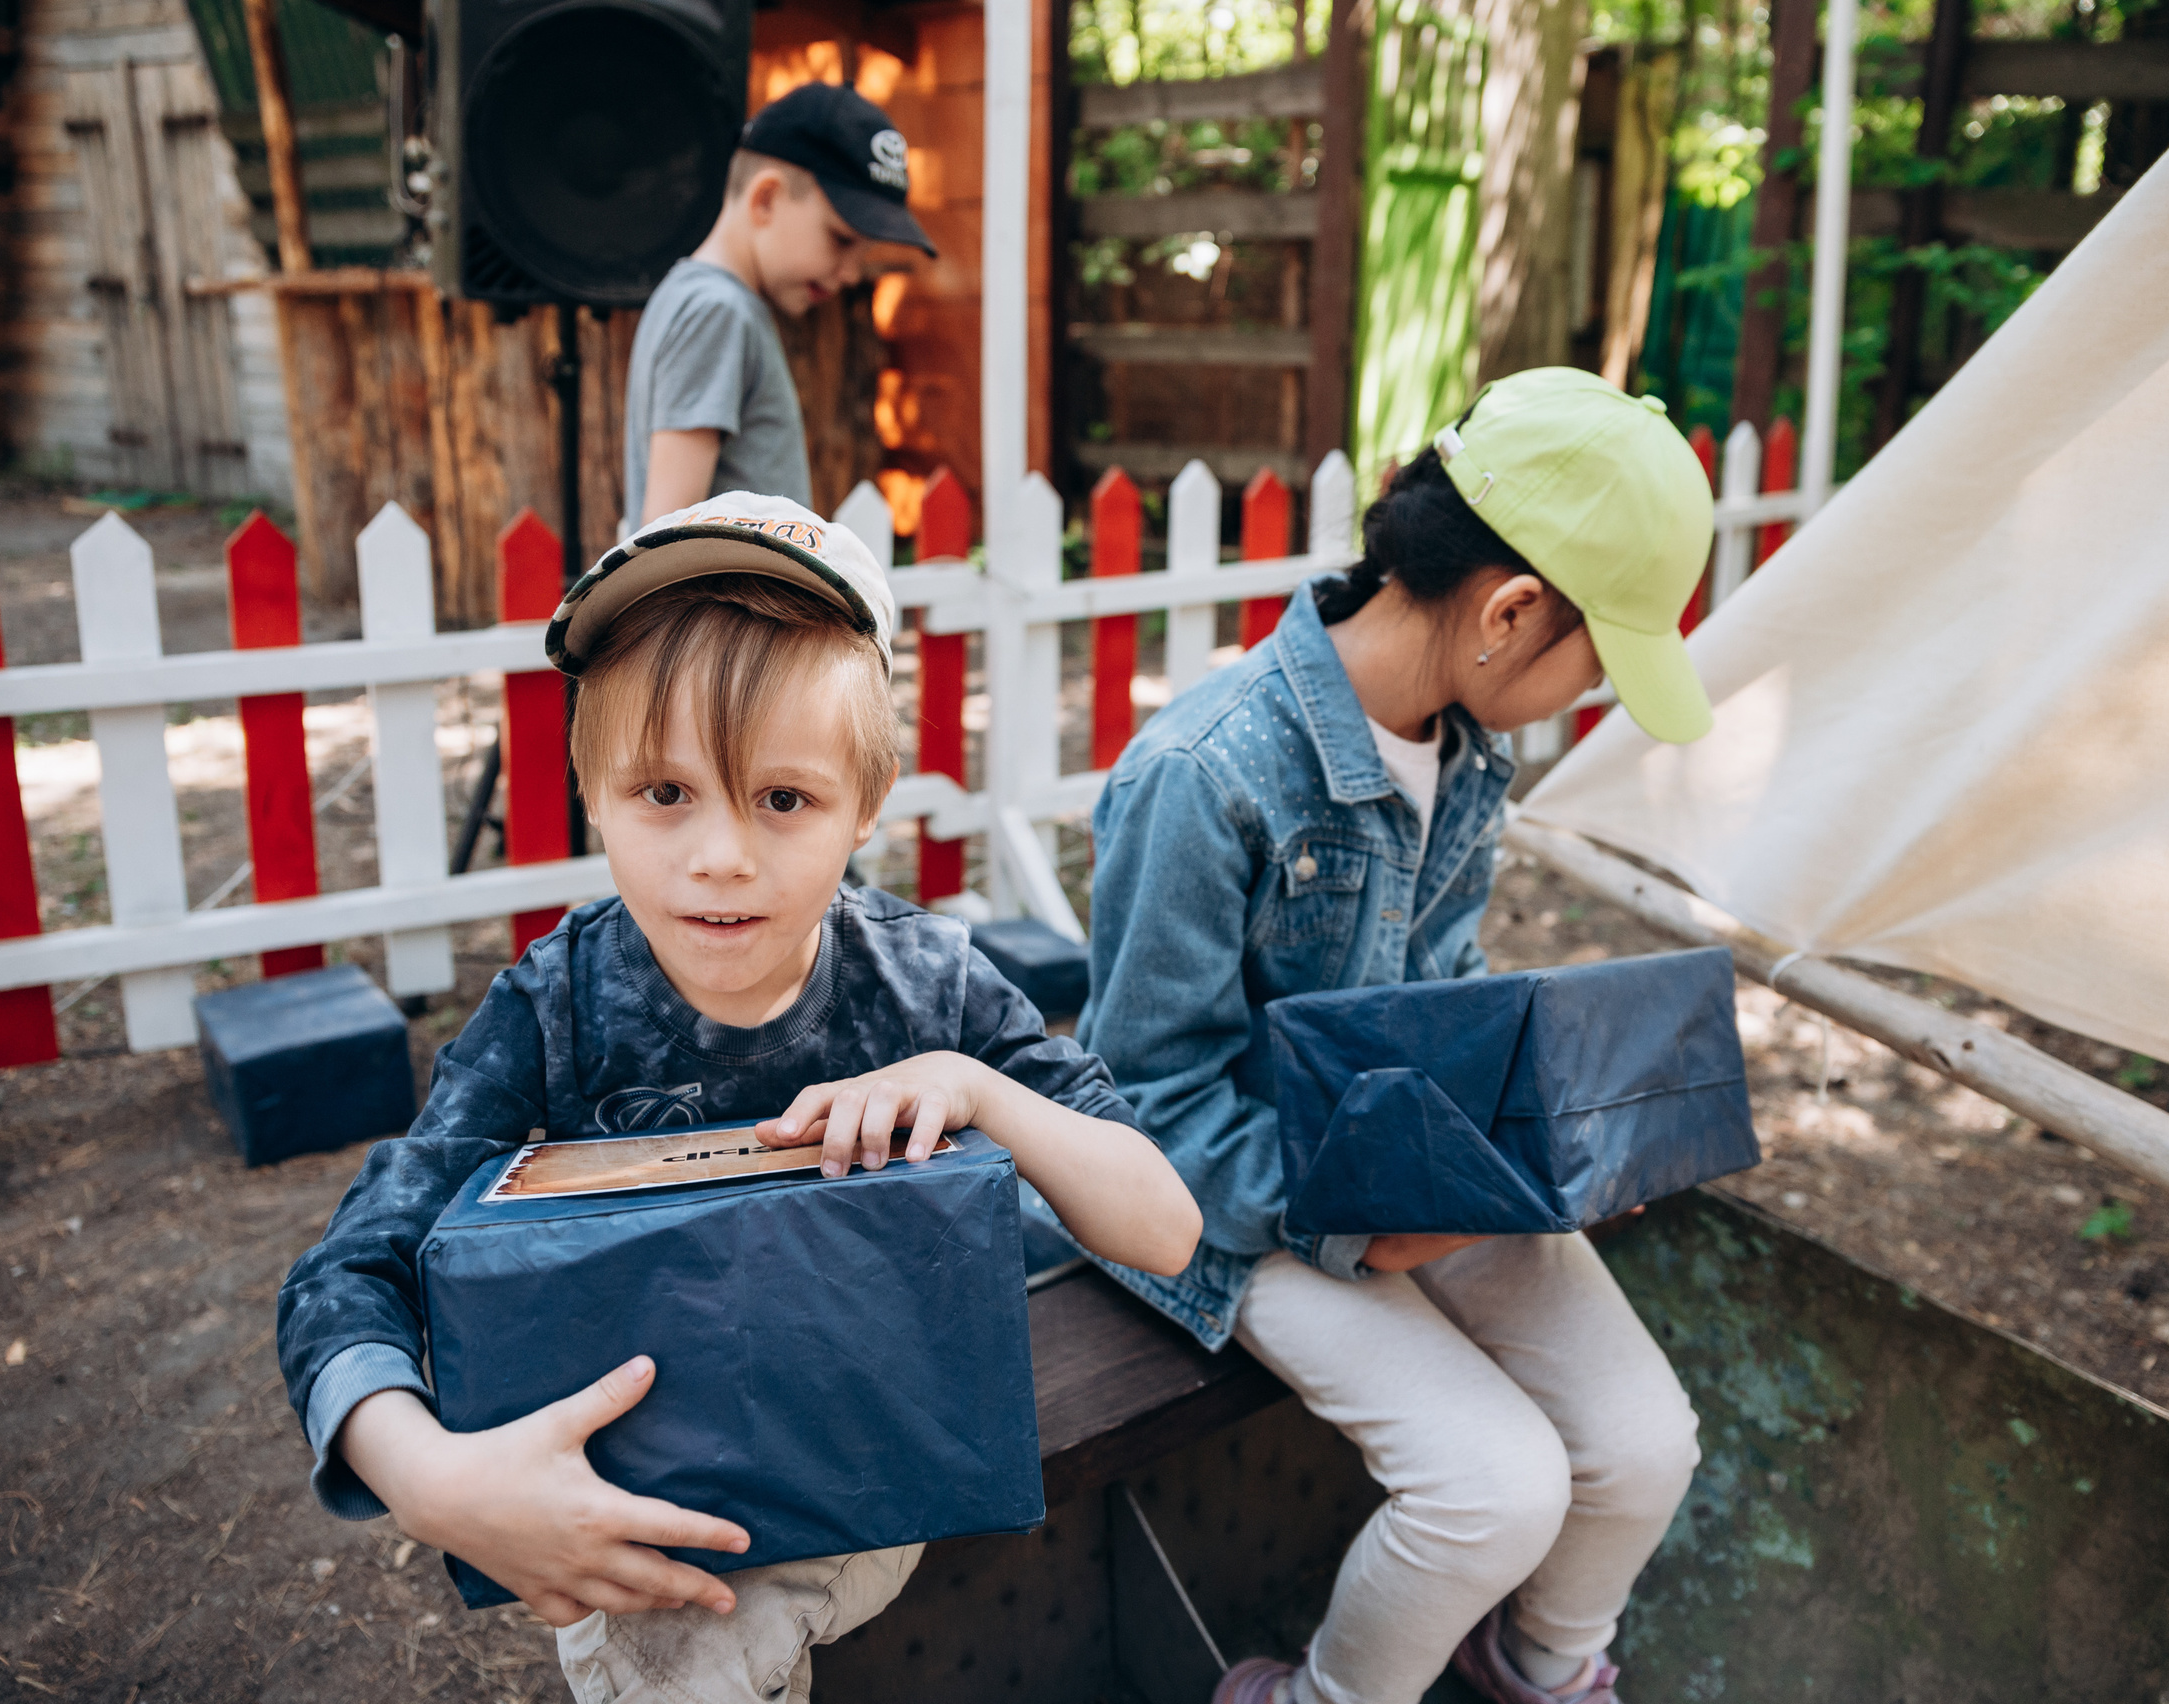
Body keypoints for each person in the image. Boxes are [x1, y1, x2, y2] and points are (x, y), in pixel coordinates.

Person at [276, 493, 1200, 1704]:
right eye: (664, 793)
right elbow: (348, 1270)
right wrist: (431, 1479)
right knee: (679, 1644)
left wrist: (981, 1090)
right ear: (589, 794)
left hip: (867, 1466)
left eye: (781, 799)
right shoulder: (554, 1008)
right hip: (644, 1491)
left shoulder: (928, 986)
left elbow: (1166, 1229)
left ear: (866, 806)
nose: (720, 855)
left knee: (704, 1648)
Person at [1077, 368, 1717, 1704]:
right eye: (1599, 659)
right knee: (1495, 1488)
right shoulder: (1204, 777)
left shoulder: (1467, 746)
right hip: (1230, 1206)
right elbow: (1146, 1106)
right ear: (1512, 611)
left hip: (1397, 1174)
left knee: (1646, 1444)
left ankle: (1536, 1672)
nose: (1590, 691)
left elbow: (1443, 992)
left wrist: (1553, 1134)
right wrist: (1355, 1232)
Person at [625, 83, 935, 525]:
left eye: (861, 253)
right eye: (840, 239)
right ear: (765, 199)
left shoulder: (708, 303)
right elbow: (664, 541)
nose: (850, 274)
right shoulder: (717, 313)